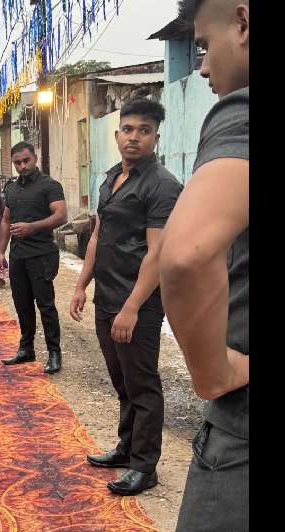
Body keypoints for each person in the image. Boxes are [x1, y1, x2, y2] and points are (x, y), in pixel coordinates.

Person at [159, 1, 249, 532]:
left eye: (201, 43)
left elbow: (186, 253)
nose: (199, 65)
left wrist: (214, 372)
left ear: (243, 21)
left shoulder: (240, 114)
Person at [69, 97, 182, 496]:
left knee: (143, 384)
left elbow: (158, 252)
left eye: (144, 131)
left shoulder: (162, 186)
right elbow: (99, 235)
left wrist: (132, 307)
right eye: (128, 129)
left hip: (139, 302)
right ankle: (126, 448)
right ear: (117, 134)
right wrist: (82, 284)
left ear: (155, 136)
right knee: (122, 381)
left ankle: (145, 466)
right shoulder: (112, 177)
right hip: (107, 296)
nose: (134, 137)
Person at [0, 142, 68, 374]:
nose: (22, 166)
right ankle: (26, 349)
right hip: (18, 256)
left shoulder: (50, 185)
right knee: (22, 305)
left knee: (46, 306)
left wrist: (32, 227)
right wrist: (0, 251)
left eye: (26, 160)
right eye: (17, 162)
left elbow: (61, 216)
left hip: (41, 254)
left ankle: (54, 353)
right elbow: (6, 220)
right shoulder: (12, 189)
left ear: (35, 158)